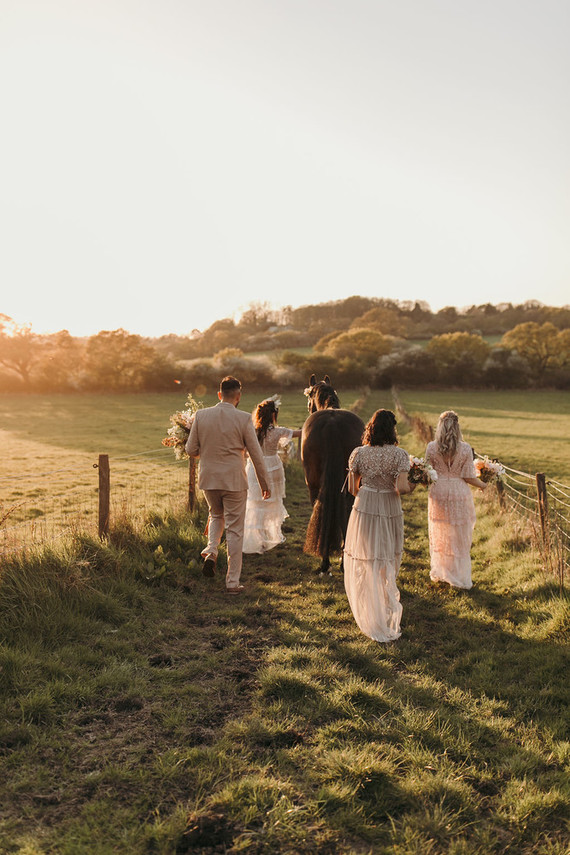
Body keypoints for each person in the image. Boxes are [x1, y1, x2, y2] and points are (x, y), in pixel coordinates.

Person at [185, 376, 270, 595]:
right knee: (234, 530)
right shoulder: (243, 419)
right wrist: (264, 483)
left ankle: (211, 550)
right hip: (233, 481)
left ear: (219, 394)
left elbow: (190, 449)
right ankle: (232, 582)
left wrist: (208, 451)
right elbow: (256, 455)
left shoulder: (201, 416)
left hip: (209, 479)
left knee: (215, 515)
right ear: (238, 396)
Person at [343, 409, 416, 643]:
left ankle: (369, 606)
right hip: (389, 506)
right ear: (392, 429)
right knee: (387, 558)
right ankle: (384, 606)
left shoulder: (358, 453)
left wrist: (368, 490)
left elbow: (353, 489)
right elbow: (401, 488)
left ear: (371, 428)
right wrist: (417, 484)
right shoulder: (400, 455)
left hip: (364, 506)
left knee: (367, 557)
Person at [425, 410, 487, 589]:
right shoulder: (466, 448)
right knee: (459, 535)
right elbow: (468, 476)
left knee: (441, 532)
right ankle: (459, 575)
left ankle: (443, 571)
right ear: (457, 427)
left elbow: (427, 473)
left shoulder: (431, 447)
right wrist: (483, 485)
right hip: (459, 492)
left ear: (440, 427)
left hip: (439, 491)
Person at [242, 396, 301, 554]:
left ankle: (258, 538)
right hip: (273, 467)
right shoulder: (277, 432)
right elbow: (299, 433)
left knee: (255, 503)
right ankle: (268, 536)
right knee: (271, 502)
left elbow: (243, 451)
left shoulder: (252, 432)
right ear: (273, 415)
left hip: (255, 467)